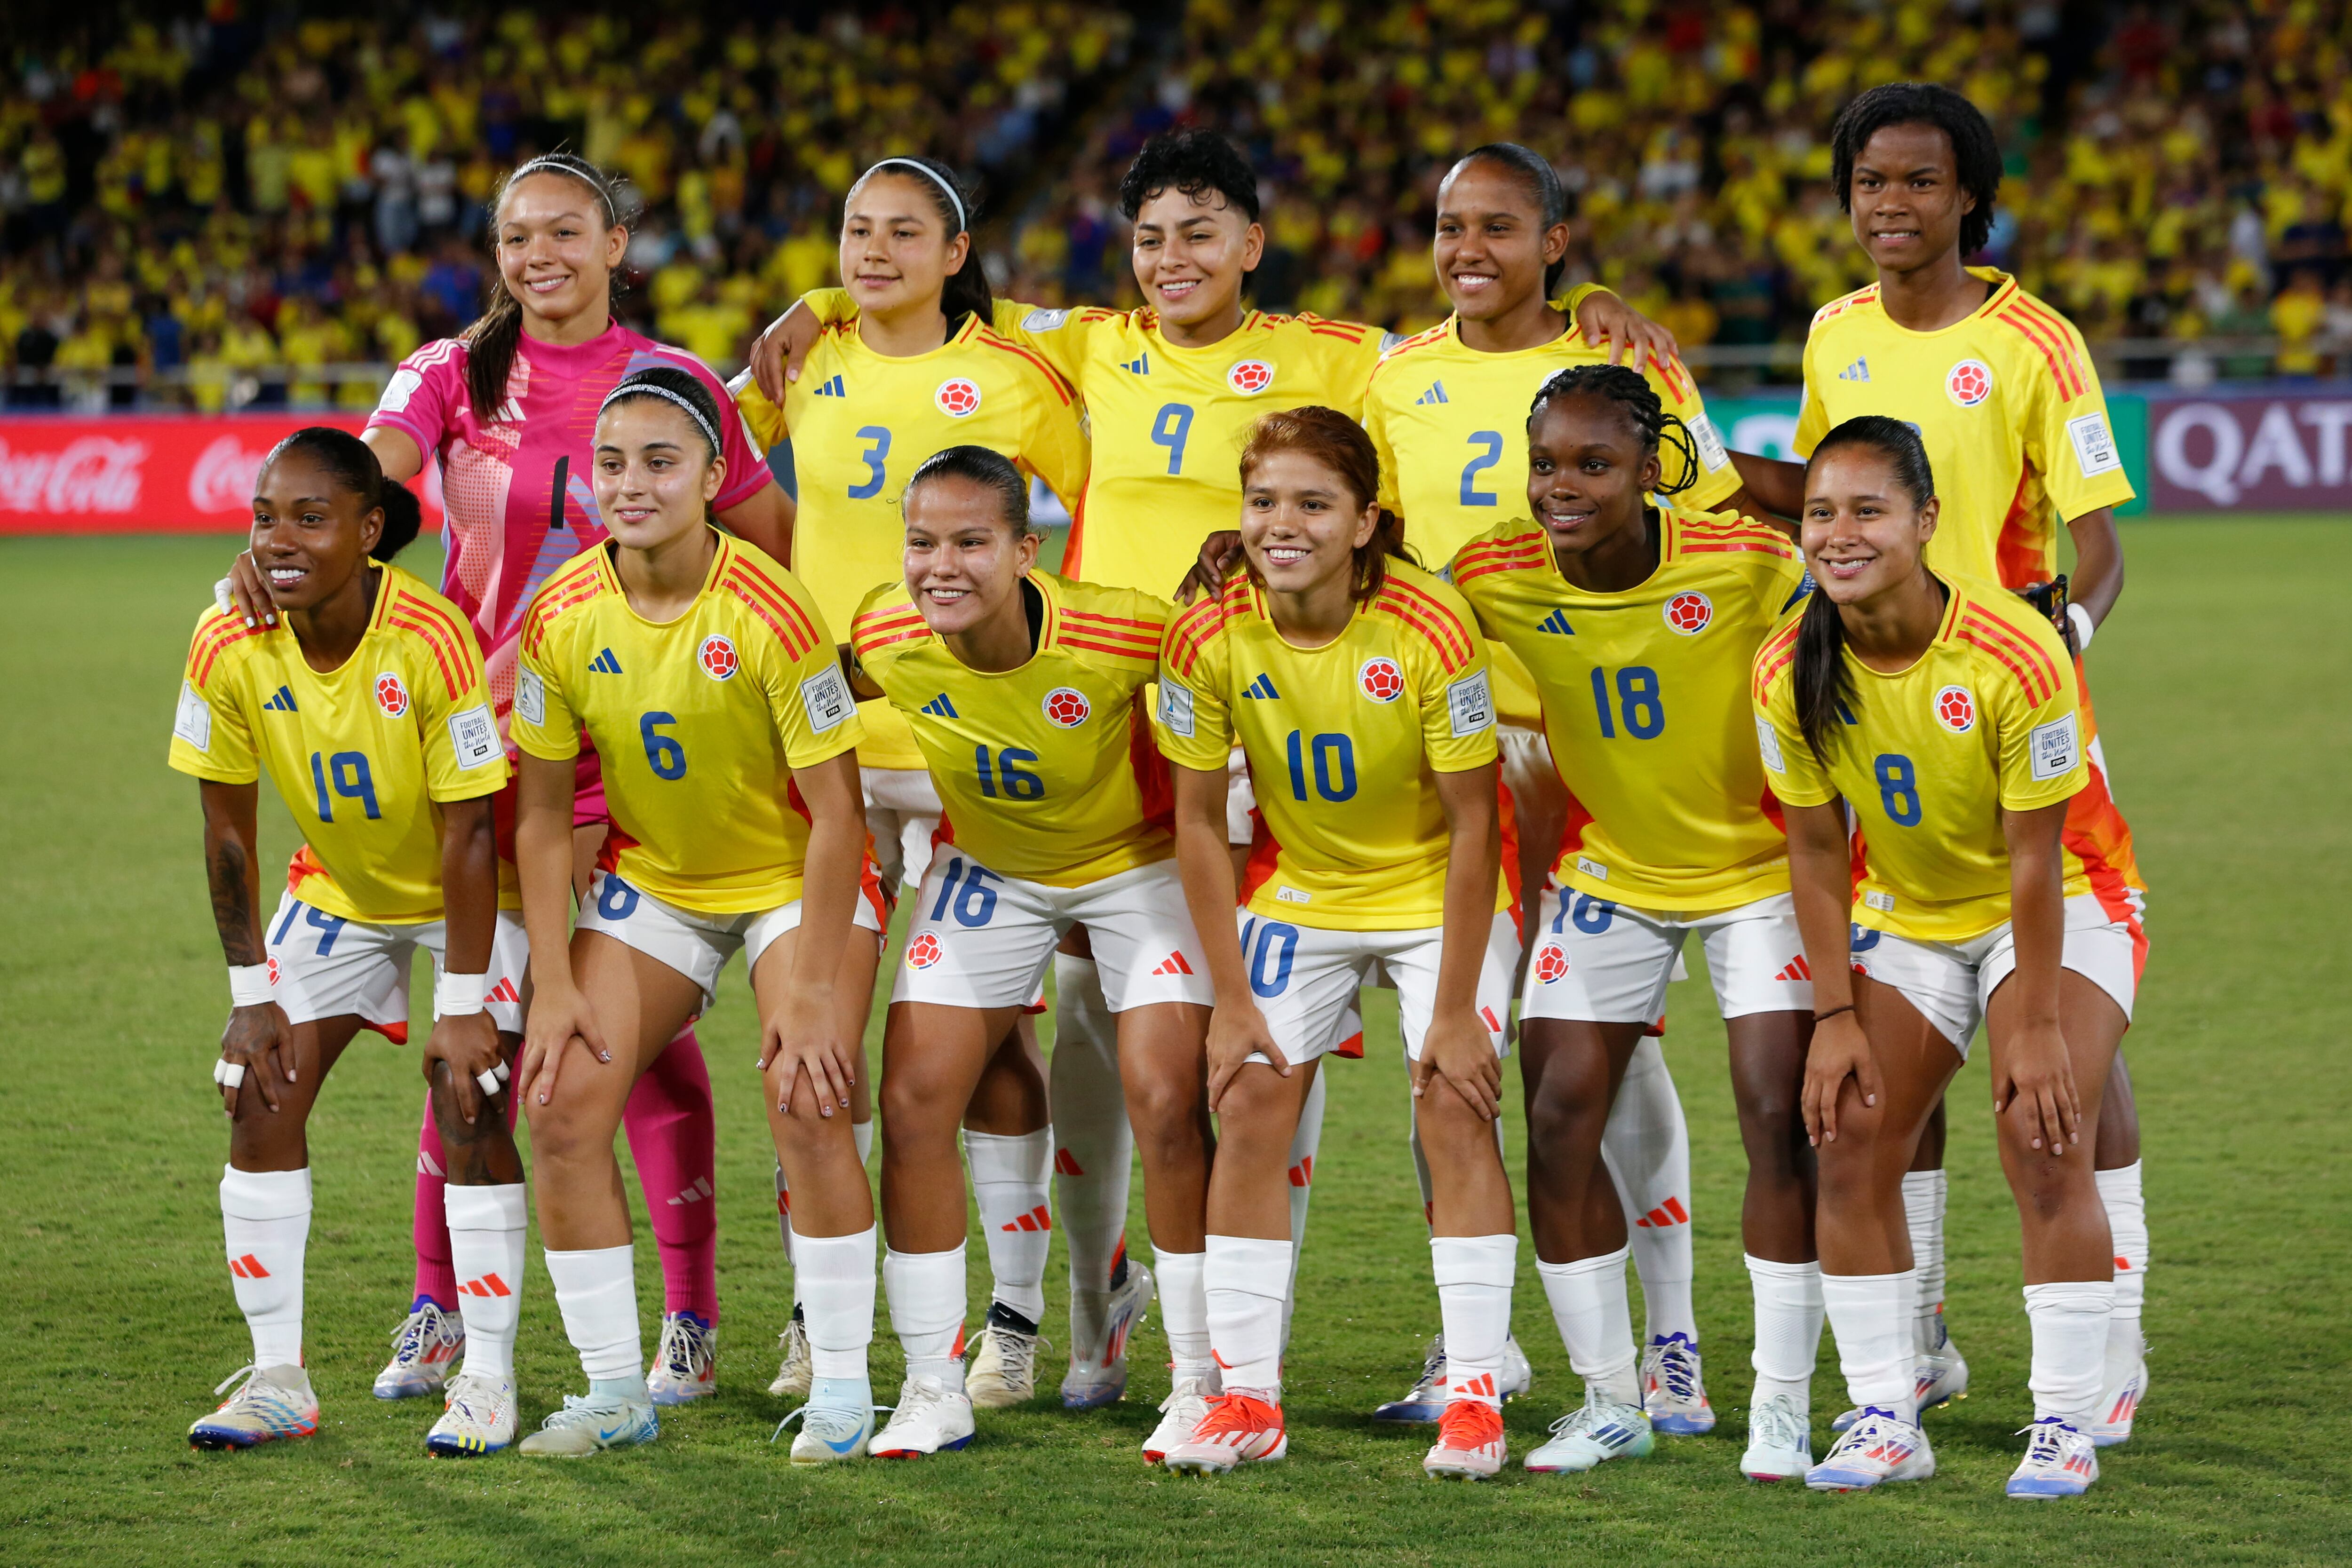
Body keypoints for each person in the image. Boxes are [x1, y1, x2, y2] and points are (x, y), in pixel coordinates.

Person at [751, 132, 1674, 1398]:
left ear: (1253, 241)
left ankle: (1444, 1342)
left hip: (1292, 728)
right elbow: (924, 291)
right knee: (1112, 1034)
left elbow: (1481, 323)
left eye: (1202, 233)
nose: (1174, 258)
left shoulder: (1343, 356)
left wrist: (1587, 311)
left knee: (1320, 1044)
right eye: (1151, 236)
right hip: (1110, 733)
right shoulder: (1083, 346)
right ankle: (1095, 1315)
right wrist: (814, 301)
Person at [216, 153, 794, 1408]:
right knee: (489, 1027)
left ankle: (687, 1313)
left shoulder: (677, 383)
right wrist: (283, 538)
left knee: (612, 1034)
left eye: (568, 231)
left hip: (628, 760)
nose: (541, 254)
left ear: (618, 241)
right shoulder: (448, 372)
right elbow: (371, 470)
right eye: (518, 234)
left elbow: (770, 541)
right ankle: (437, 1306)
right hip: (472, 758)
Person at [1732, 85, 2152, 1443]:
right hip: (1876, 713)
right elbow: (1818, 491)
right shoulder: (1835, 331)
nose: (1889, 206)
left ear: (1967, 195)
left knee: (2057, 1060)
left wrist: (2059, 637)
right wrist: (1697, 459)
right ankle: (1910, 1351)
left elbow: (2099, 543)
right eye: (1868, 182)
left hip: (2012, 713)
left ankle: (2104, 1340)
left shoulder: (2036, 340)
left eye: (1917, 182)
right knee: (1909, 1067)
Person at [1357, 142, 1784, 1431]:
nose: (1467, 247)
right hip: (1446, 750)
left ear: (1555, 242)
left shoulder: (1626, 364)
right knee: (1465, 1047)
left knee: (1608, 1048)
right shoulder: (1398, 377)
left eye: (1497, 224)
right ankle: (1471, 1334)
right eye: (1448, 224)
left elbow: (1710, 515)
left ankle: (1671, 1346)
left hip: (1588, 753)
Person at [730, 156, 1096, 1410]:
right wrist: (806, 318)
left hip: (962, 753)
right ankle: (815, 1306)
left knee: (980, 1051)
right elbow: (709, 458)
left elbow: (1102, 519)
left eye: (903, 233)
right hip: (827, 750)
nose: (872, 252)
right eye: (853, 232)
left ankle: (1014, 1318)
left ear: (956, 253)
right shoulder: (805, 359)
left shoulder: (1011, 373)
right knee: (818, 1036)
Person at [1450, 366, 1821, 1479]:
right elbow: (1390, 608)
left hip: (1757, 869)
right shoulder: (1492, 569)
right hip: (1611, 868)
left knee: (1774, 1113)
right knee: (1560, 1114)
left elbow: (1861, 603)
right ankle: (1611, 1397)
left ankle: (1782, 1402)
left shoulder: (1749, 561)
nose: (1563, 488)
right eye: (1547, 464)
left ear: (1653, 468)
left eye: (1594, 465)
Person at [507, 368, 880, 1461]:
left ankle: (847, 1388)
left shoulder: (771, 607)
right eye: (613, 463)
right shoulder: (563, 613)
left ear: (716, 476)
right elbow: (538, 818)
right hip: (658, 882)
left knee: (808, 1095)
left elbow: (837, 814)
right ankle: (615, 1387)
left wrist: (810, 988)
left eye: (661, 462)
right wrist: (557, 984)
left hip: (790, 879)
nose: (632, 485)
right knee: (564, 1103)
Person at [1756, 416, 2129, 1498]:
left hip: (2061, 902)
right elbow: (1816, 849)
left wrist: (2041, 1023)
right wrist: (1832, 1017)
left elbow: (2035, 856)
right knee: (1849, 1127)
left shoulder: (2017, 651)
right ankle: (1884, 1411)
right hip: (1909, 913)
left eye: (1867, 510)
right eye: (1821, 512)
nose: (1837, 533)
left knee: (2039, 1125)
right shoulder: (1786, 666)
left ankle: (2062, 1421)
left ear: (1925, 522)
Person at [1153, 407, 1520, 1480]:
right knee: (1250, 1098)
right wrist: (1229, 995)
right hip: (1300, 890)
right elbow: (1192, 821)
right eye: (1264, 500)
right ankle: (1248, 1397)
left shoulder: (1431, 624)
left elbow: (1471, 825)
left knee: (1455, 1100)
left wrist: (1451, 1010)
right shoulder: (1206, 630)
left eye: (1314, 503)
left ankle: (1475, 1396)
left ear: (1365, 520)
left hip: (1430, 896)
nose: (1283, 523)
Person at [844, 446, 1216, 1460]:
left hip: (1135, 868)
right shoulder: (885, 628)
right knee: (916, 1096)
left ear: (1027, 549)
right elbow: (813, 688)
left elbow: (1233, 668)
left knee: (1167, 1099)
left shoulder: (1119, 628)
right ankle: (931, 1386)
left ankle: (1198, 1378)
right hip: (992, 869)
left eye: (972, 541)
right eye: (922, 542)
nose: (942, 566)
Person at [173, 429, 530, 1457]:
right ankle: (278, 1376)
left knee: (471, 1100)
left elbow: (469, 830)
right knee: (255, 1087)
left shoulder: (430, 636)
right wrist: (251, 990)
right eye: (264, 518)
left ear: (370, 531)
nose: (279, 539)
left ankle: (488, 1377)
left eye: (310, 518)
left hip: (472, 893)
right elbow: (228, 828)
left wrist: (462, 1005)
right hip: (338, 887)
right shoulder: (225, 637)